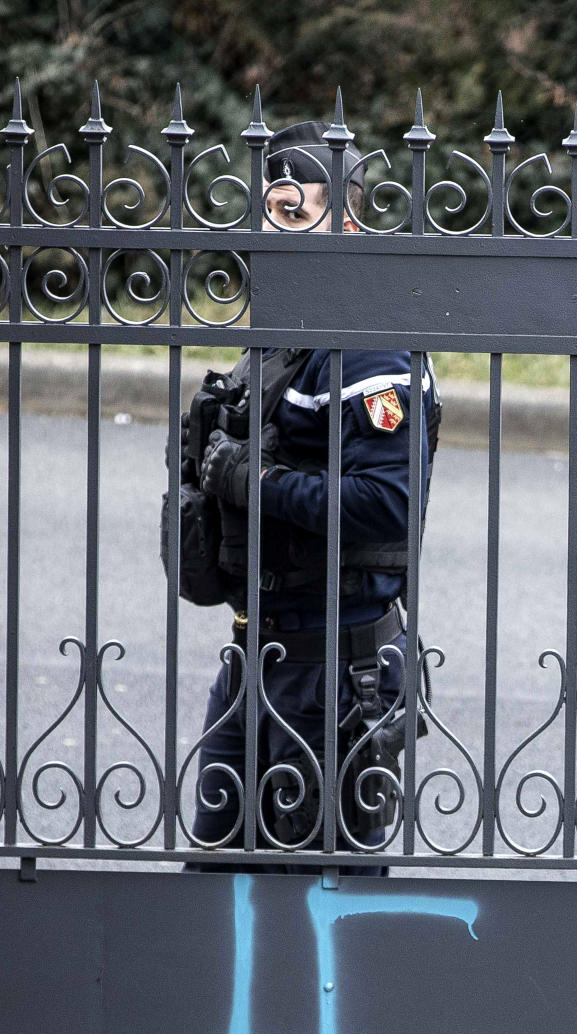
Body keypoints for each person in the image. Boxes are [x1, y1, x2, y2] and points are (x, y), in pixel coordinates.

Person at [182, 120, 438, 872]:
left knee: (320, 912)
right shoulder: (291, 333)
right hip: (255, 656)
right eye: (268, 209)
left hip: (337, 673)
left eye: (294, 212)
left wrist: (251, 481)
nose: (272, 228)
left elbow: (387, 502)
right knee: (220, 880)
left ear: (348, 223)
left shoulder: (367, 343)